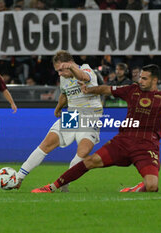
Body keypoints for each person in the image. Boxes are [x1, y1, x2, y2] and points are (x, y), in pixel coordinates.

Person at [30, 64, 161, 193]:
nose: (140, 80)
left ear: (154, 80)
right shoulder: (131, 90)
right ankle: (52, 186)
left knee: (152, 187)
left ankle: (138, 187)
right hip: (123, 142)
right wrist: (88, 90)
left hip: (147, 147)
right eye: (140, 77)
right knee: (89, 161)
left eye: (144, 78)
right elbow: (106, 89)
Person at [15, 50, 102, 192]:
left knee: (83, 152)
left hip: (90, 116)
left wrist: (72, 68)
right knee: (47, 144)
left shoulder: (85, 68)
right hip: (72, 116)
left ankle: (64, 182)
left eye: (61, 69)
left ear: (70, 64)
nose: (59, 74)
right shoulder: (64, 77)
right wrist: (58, 108)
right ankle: (18, 178)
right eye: (57, 71)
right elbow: (64, 94)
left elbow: (83, 77)